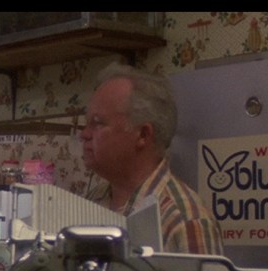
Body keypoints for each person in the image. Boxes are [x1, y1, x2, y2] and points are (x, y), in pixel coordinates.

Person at [81, 62, 224, 255]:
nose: (84, 134)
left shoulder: (185, 220)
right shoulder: (92, 200)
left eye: (97, 123)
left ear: (143, 135)